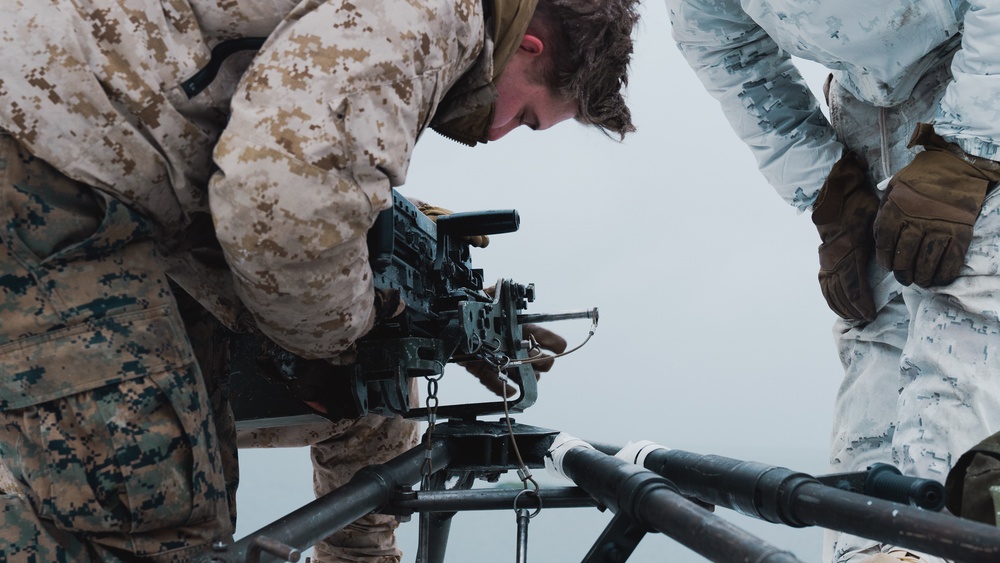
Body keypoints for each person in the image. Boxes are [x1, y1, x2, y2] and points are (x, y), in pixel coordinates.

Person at [0, 0, 640, 560]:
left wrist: (411, 324)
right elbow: (289, 206)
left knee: (158, 491)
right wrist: (345, 337)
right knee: (147, 521)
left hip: (79, 167)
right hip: (56, 166)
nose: (499, 134)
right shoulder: (436, 15)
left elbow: (286, 187)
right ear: (531, 46)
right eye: (526, 116)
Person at [663, 1, 1000, 562]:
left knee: (964, 305)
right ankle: (868, 547)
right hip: (873, 103)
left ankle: (933, 543)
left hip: (978, 60)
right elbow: (723, 45)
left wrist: (971, 149)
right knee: (876, 318)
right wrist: (827, 184)